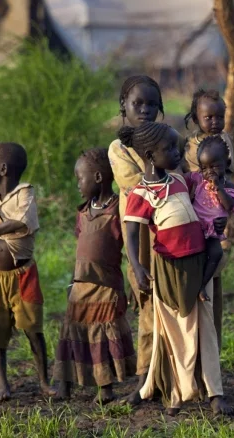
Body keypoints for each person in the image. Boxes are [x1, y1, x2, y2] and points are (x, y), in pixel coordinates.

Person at [119, 122, 229, 416]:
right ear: (150, 156)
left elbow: (207, 201)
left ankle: (215, 392)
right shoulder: (140, 194)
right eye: (168, 149)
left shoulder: (181, 180)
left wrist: (219, 219)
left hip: (199, 262)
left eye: (176, 146)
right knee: (172, 333)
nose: (177, 153)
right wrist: (138, 267)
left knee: (205, 326)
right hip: (168, 268)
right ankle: (175, 392)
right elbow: (130, 235)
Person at [0, 143, 54, 401]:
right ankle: (2, 385)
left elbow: (25, 223)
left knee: (32, 329)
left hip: (22, 274)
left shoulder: (24, 194)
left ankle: (43, 382)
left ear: (3, 169)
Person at [53, 149, 137, 404]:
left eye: (81, 178)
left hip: (107, 285)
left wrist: (134, 280)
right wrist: (73, 279)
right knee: (72, 331)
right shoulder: (84, 212)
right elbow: (81, 249)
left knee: (103, 334)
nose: (77, 184)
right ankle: (65, 385)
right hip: (81, 283)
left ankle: (105, 388)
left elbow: (132, 244)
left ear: (98, 177)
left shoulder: (118, 209)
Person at [108, 75, 167, 395]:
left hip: (168, 237)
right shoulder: (119, 148)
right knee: (147, 302)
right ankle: (146, 376)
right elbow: (137, 188)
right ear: (123, 107)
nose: (144, 109)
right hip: (139, 239)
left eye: (151, 104)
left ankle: (165, 373)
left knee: (169, 303)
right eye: (137, 104)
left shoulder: (167, 140)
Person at [181, 89, 234, 347]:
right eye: (208, 117)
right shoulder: (188, 147)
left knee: (215, 286)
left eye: (219, 116)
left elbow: (228, 180)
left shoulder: (224, 140)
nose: (215, 122)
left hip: (216, 218)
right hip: (194, 219)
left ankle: (213, 349)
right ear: (196, 117)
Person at [185, 136, 234, 302]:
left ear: (227, 163)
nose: (209, 172)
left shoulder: (227, 186)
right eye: (204, 167)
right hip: (195, 226)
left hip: (213, 229)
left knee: (216, 253)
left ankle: (202, 285)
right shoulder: (198, 180)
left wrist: (219, 187)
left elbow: (230, 206)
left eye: (215, 166)